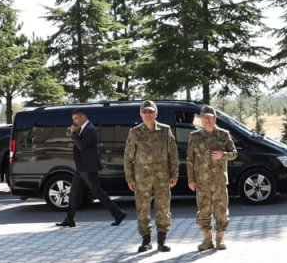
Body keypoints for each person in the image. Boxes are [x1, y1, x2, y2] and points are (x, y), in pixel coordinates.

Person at [56, 109, 126, 228]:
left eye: (76, 119)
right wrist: (76, 133)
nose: (74, 121)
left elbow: (82, 146)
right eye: (73, 119)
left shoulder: (90, 129)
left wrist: (73, 134)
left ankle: (118, 214)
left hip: (88, 167)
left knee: (97, 192)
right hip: (81, 166)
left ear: (83, 117)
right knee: (73, 193)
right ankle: (70, 219)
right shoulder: (82, 128)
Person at [125, 100, 179, 253]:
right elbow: (128, 157)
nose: (148, 114)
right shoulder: (135, 132)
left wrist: (174, 173)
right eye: (145, 112)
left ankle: (162, 240)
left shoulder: (165, 130)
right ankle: (146, 240)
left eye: (151, 111)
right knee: (143, 209)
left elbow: (173, 154)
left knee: (163, 208)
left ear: (156, 113)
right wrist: (130, 178)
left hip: (162, 177)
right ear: (141, 114)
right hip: (142, 178)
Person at [186, 105, 238, 251]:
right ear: (201, 119)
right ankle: (207, 240)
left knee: (221, 211)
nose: (208, 120)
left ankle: (220, 240)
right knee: (203, 212)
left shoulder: (224, 134)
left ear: (215, 118)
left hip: (219, 181)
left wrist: (224, 155)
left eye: (210, 117)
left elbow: (234, 153)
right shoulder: (194, 136)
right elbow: (190, 159)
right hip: (201, 182)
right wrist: (191, 179)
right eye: (205, 118)